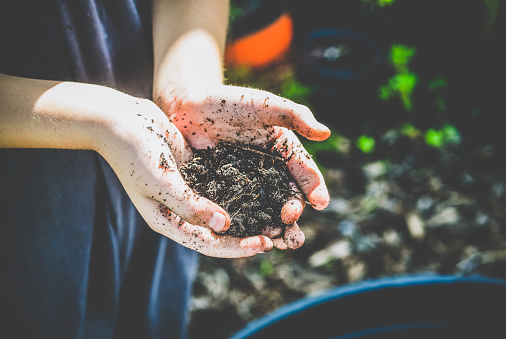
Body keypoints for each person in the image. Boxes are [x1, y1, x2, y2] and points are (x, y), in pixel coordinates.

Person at [0, 0, 330, 338]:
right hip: (27, 182)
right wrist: (100, 122)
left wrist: (187, 90)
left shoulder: (179, 149)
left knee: (152, 296)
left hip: (166, 146)